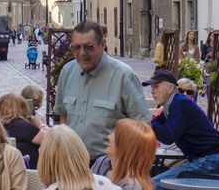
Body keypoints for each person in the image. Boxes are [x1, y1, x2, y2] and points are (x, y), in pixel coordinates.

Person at [53, 21, 150, 162]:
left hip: (110, 166)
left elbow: (143, 127)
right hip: (72, 164)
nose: (82, 53)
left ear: (103, 44)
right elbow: (64, 115)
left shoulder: (123, 76)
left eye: (89, 47)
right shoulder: (67, 72)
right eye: (76, 48)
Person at [89, 118, 157, 190]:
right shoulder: (102, 162)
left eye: (115, 135)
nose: (109, 137)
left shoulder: (132, 186)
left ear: (126, 146)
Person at [0, 92, 44, 169]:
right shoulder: (20, 125)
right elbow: (49, 139)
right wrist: (39, 123)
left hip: (6, 167)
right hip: (28, 170)